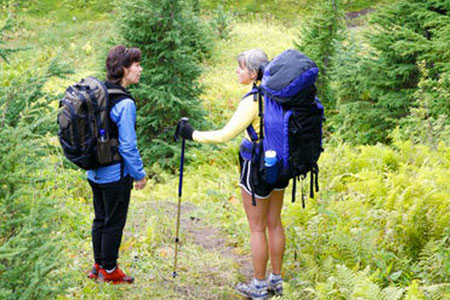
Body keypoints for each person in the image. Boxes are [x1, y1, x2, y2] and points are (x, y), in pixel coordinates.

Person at [176, 49, 286, 300]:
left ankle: (259, 287)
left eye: (240, 68)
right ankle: (276, 281)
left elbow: (225, 135)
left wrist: (192, 134)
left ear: (254, 73)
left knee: (257, 229)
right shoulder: (279, 94)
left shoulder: (253, 101)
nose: (236, 71)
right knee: (275, 222)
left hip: (256, 166)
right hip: (280, 164)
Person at [86, 45, 147, 284]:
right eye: (136, 65)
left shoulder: (98, 93)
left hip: (93, 171)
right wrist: (139, 174)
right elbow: (128, 146)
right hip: (115, 174)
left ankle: (98, 265)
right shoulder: (124, 103)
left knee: (100, 218)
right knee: (114, 222)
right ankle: (110, 270)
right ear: (124, 69)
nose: (140, 69)